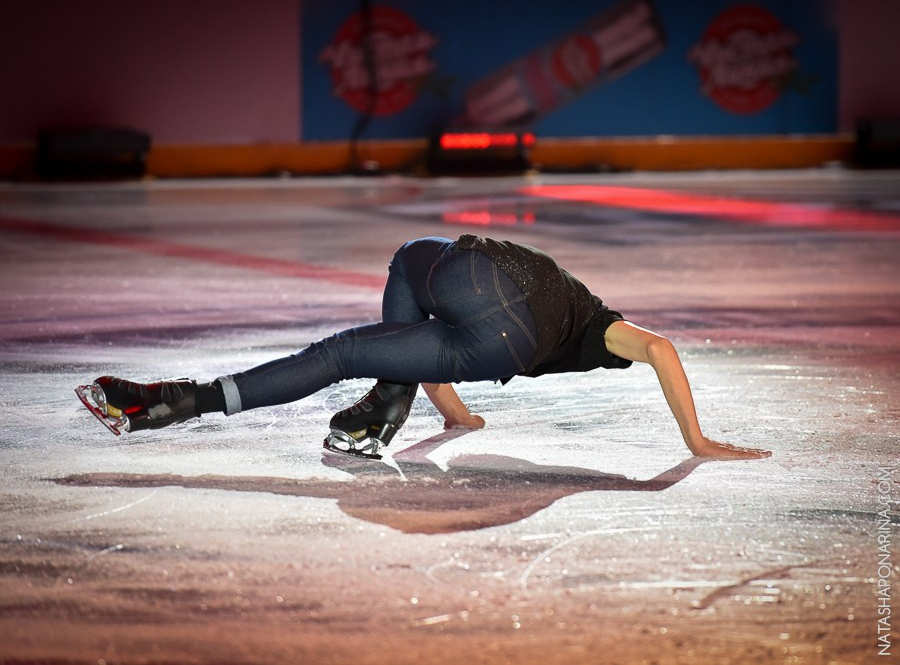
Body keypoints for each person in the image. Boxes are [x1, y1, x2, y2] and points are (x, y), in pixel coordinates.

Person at [76, 235, 771, 461]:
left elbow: (427, 340)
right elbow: (662, 349)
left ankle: (387, 400)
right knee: (349, 350)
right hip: (505, 338)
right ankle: (179, 404)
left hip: (473, 268)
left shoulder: (582, 298)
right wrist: (697, 440)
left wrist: (455, 413)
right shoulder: (601, 328)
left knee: (407, 257)